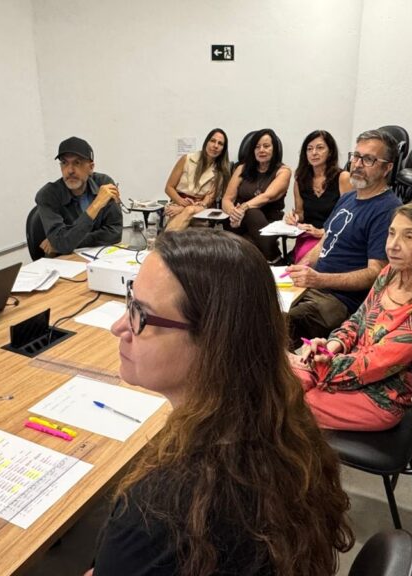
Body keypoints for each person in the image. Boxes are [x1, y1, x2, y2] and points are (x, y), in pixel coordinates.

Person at [90, 228, 354, 576]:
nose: (119, 326)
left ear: (213, 342)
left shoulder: (155, 511)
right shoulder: (284, 425)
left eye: (140, 312)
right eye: (129, 300)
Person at [290, 199, 412, 431]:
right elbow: (358, 320)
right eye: (391, 234)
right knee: (275, 382)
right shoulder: (389, 273)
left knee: (280, 402)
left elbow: (377, 364)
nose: (393, 245)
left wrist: (323, 364)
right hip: (348, 373)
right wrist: (331, 345)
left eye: (409, 236)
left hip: (379, 398)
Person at [286, 129, 402, 347]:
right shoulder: (348, 198)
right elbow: (323, 243)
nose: (357, 164)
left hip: (340, 300)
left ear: (387, 168)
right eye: (356, 156)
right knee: (256, 306)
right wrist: (297, 269)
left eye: (369, 159)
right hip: (313, 287)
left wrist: (319, 279)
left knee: (279, 325)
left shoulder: (388, 210)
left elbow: (376, 273)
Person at [31, 136, 122, 258]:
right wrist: (96, 204)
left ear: (91, 167)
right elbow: (62, 244)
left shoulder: (104, 183)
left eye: (77, 163)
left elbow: (115, 233)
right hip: (61, 263)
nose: (70, 170)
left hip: (99, 258)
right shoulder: (47, 195)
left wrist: (70, 240)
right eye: (64, 163)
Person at [221, 128, 292, 262]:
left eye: (266, 146)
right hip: (237, 222)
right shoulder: (242, 168)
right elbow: (227, 198)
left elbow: (267, 196)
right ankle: (275, 257)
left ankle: (272, 256)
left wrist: (243, 208)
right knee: (246, 219)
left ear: (274, 149)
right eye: (257, 147)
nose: (261, 150)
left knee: (252, 214)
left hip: (267, 222)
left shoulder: (283, 171)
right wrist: (233, 213)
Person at [286, 130, 351, 262]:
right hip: (308, 234)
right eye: (309, 149)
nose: (314, 153)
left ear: (330, 151)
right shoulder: (300, 179)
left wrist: (323, 232)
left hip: (334, 235)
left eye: (320, 148)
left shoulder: (343, 178)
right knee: (303, 259)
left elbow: (349, 216)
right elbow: (300, 212)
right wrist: (294, 218)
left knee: (311, 262)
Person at [162, 128, 231, 232]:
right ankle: (164, 245)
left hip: (200, 206)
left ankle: (161, 245)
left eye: (220, 143)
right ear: (206, 142)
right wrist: (181, 203)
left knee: (189, 210)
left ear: (223, 149)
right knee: (179, 214)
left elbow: (208, 200)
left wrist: (183, 208)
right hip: (178, 201)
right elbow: (169, 188)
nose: (215, 146)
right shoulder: (187, 159)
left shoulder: (221, 171)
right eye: (212, 141)